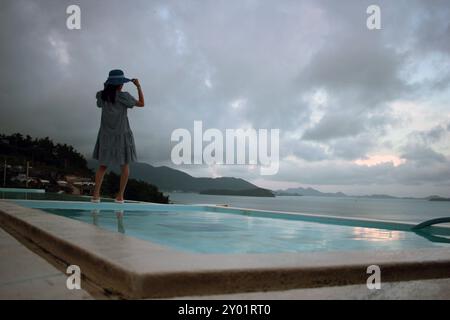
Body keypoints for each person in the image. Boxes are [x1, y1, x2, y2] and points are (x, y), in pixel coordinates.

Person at [91, 69, 145, 203]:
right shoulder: (124, 97)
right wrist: (138, 86)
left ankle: (96, 195)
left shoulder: (102, 96)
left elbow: (99, 102)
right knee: (124, 166)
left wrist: (107, 87)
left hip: (105, 135)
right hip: (122, 134)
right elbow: (142, 103)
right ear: (120, 84)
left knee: (102, 166)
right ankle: (120, 196)